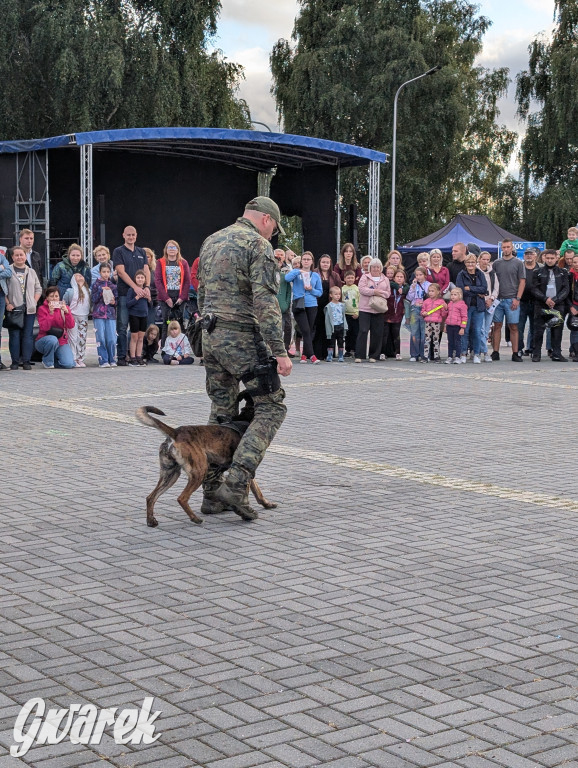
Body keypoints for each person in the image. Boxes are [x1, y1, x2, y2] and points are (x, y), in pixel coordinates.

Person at [197, 195, 292, 520]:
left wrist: (211, 331)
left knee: (221, 411)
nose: (271, 236)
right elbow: (265, 301)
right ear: (266, 219)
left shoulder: (211, 240)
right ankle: (235, 486)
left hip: (210, 336)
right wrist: (279, 350)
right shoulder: (258, 245)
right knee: (271, 406)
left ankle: (210, 493)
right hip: (241, 337)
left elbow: (201, 294)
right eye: (274, 230)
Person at [112, 225, 150, 366]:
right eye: (128, 235)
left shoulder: (141, 252)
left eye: (133, 235)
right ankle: (122, 356)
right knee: (122, 326)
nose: (131, 237)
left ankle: (137, 355)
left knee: (139, 329)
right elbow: (120, 272)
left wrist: (146, 287)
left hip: (141, 298)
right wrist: (135, 287)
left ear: (136, 235)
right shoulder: (118, 251)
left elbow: (147, 271)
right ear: (123, 235)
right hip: (124, 294)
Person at [5, 245, 42, 370]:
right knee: (14, 335)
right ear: (12, 257)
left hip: (29, 309)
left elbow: (38, 288)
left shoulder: (31, 271)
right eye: (17, 255)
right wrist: (7, 303)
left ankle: (26, 361)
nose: (19, 257)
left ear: (25, 256)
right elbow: (3, 288)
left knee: (28, 335)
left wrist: (34, 301)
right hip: (14, 308)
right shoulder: (8, 271)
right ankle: (15, 362)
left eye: (22, 255)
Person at [531, 249, 570, 362]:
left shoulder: (563, 272)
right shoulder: (537, 272)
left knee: (557, 330)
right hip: (541, 305)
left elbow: (566, 289)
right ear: (544, 258)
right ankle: (536, 353)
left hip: (558, 305)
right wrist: (545, 299)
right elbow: (533, 288)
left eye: (552, 258)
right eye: (547, 258)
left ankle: (556, 353)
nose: (549, 260)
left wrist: (555, 300)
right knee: (538, 330)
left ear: (556, 258)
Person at [285, 251, 323, 363]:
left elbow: (320, 292)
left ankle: (304, 355)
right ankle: (312, 355)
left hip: (312, 304)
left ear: (312, 262)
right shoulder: (296, 272)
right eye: (304, 259)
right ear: (301, 261)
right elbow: (287, 278)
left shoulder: (315, 275)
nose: (306, 261)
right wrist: (298, 272)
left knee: (309, 330)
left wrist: (311, 289)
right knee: (305, 329)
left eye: (308, 259)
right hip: (299, 304)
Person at [491, 239, 526, 361]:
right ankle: (495, 352)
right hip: (498, 300)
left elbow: (522, 281)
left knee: (514, 326)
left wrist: (518, 298)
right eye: (504, 247)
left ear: (512, 248)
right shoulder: (496, 263)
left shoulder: (518, 263)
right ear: (501, 248)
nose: (506, 249)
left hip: (512, 299)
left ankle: (515, 353)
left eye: (508, 247)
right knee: (497, 326)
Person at [155, 240, 191, 345]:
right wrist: (166, 298)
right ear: (166, 250)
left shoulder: (183, 263)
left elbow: (187, 281)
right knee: (166, 323)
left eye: (174, 247)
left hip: (180, 299)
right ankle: (165, 350)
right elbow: (158, 281)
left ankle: (182, 348)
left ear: (177, 250)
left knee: (180, 324)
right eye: (169, 247)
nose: (171, 250)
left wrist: (182, 298)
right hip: (165, 299)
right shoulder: (160, 262)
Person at [355, 258, 390, 362]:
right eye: (373, 267)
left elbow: (388, 293)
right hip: (365, 308)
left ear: (381, 268)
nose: (375, 269)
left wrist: (380, 293)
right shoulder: (364, 277)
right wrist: (374, 291)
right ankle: (359, 355)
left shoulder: (385, 279)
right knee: (363, 331)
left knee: (377, 333)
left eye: (378, 267)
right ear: (370, 268)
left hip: (379, 309)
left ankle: (374, 355)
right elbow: (361, 289)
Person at [456, 254, 488, 364]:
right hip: (466, 307)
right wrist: (477, 292)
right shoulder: (461, 274)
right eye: (468, 262)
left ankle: (477, 353)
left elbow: (484, 289)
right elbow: (461, 290)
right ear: (465, 263)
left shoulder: (480, 274)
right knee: (465, 330)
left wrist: (470, 288)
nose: (470, 264)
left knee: (477, 331)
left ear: (476, 263)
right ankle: (464, 352)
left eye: (472, 262)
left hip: (479, 307)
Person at [35, 286, 75, 369]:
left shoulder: (64, 307)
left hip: (61, 340)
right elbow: (44, 328)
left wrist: (67, 313)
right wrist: (50, 313)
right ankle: (48, 362)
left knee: (69, 364)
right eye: (51, 296)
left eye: (56, 296)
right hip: (45, 339)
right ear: (47, 298)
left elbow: (71, 325)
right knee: (52, 340)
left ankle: (55, 360)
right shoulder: (42, 309)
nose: (54, 299)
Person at [313, 254, 342, 359]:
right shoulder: (314, 273)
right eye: (323, 262)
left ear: (330, 264)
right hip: (316, 305)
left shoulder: (335, 276)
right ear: (319, 263)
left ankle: (327, 354)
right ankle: (316, 353)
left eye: (327, 262)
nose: (325, 264)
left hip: (330, 306)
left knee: (328, 329)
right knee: (317, 329)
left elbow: (339, 291)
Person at [91, 262, 118, 367]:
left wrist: (113, 302)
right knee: (101, 338)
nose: (106, 274)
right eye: (104, 272)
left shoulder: (113, 285)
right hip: (99, 314)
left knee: (111, 338)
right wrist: (100, 292)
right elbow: (93, 299)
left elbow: (117, 300)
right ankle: (103, 360)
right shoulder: (96, 284)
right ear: (100, 272)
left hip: (110, 315)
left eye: (108, 272)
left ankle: (112, 359)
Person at [63, 273, 91, 367]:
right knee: (73, 338)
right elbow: (65, 303)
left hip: (84, 317)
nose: (80, 277)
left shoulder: (88, 291)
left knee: (82, 338)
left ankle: (80, 358)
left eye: (81, 275)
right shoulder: (70, 291)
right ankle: (73, 358)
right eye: (77, 276)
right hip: (73, 316)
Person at [477, 251, 500, 363]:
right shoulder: (476, 271)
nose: (485, 262)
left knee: (486, 330)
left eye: (487, 259)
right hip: (479, 302)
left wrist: (491, 298)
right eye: (483, 259)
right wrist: (485, 299)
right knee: (480, 329)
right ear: (479, 259)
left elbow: (496, 288)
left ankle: (482, 350)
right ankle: (484, 352)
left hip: (491, 303)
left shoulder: (492, 273)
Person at [406, 267, 431, 362]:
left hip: (425, 309)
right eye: (417, 275)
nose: (418, 277)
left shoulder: (429, 285)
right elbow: (409, 297)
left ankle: (424, 354)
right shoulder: (414, 285)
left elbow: (431, 297)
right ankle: (414, 354)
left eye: (420, 275)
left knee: (424, 332)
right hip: (414, 308)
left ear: (425, 275)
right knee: (414, 332)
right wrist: (412, 288)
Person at [126, 269, 151, 366]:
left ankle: (139, 356)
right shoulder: (132, 290)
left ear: (145, 280)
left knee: (141, 338)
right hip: (134, 315)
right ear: (135, 279)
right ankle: (132, 357)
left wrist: (148, 298)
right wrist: (137, 297)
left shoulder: (146, 290)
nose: (140, 280)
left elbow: (151, 305)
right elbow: (128, 304)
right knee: (134, 337)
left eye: (142, 278)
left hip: (144, 315)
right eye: (138, 278)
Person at [518, 248, 539, 356]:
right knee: (519, 327)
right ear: (524, 256)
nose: (529, 256)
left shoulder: (540, 268)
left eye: (531, 254)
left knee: (534, 327)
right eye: (527, 254)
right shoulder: (520, 267)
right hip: (522, 301)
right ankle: (519, 349)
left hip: (536, 302)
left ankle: (532, 348)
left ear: (535, 256)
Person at [384, 268, 408, 360]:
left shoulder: (406, 288)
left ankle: (398, 352)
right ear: (394, 278)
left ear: (404, 279)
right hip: (387, 313)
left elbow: (408, 290)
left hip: (398, 314)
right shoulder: (390, 286)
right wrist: (397, 287)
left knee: (396, 334)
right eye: (397, 276)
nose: (399, 278)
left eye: (401, 277)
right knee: (385, 334)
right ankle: (383, 352)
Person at [420, 283, 448, 363]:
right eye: (429, 291)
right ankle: (425, 356)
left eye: (432, 291)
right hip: (428, 322)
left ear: (438, 292)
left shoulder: (441, 302)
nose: (430, 293)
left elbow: (443, 314)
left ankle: (436, 356)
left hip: (436, 323)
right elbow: (422, 311)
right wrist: (423, 313)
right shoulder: (426, 301)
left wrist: (445, 309)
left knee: (436, 340)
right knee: (427, 339)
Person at [274, 248, 293, 354]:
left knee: (288, 327)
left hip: (286, 302)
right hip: (274, 303)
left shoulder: (288, 269)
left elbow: (289, 287)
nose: (279, 256)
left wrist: (287, 303)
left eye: (281, 254)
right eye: (277, 255)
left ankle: (286, 348)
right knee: (277, 327)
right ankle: (277, 350)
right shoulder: (269, 268)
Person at [324, 285, 347, 362]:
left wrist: (345, 326)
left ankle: (340, 355)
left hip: (340, 325)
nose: (338, 296)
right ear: (331, 295)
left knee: (341, 341)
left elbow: (343, 316)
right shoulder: (328, 306)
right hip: (332, 326)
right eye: (336, 294)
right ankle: (330, 355)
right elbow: (327, 318)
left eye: (339, 294)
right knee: (331, 342)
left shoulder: (342, 305)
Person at [445, 287, 468, 364]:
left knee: (457, 342)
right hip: (449, 325)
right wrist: (445, 325)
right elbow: (447, 315)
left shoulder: (462, 305)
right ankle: (450, 356)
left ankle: (458, 356)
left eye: (455, 295)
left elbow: (464, 317)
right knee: (450, 342)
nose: (453, 296)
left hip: (457, 326)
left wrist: (462, 327)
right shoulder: (450, 304)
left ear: (460, 296)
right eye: (451, 294)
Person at [0, 248, 13, 370]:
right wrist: (1, 268)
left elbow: (9, 272)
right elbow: (4, 270)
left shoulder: (1, 256)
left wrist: (4, 268)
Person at [342, 270, 360, 357]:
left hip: (355, 314)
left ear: (355, 278)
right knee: (347, 333)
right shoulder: (342, 289)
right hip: (346, 314)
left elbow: (359, 301)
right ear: (344, 279)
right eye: (348, 278)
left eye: (352, 278)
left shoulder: (357, 289)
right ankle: (348, 350)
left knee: (356, 333)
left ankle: (355, 349)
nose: (350, 279)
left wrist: (357, 312)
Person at [145, 248, 159, 327]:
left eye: (147, 257)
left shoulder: (155, 271)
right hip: (138, 302)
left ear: (151, 258)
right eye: (143, 257)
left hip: (153, 303)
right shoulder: (135, 270)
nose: (145, 259)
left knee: (150, 326)